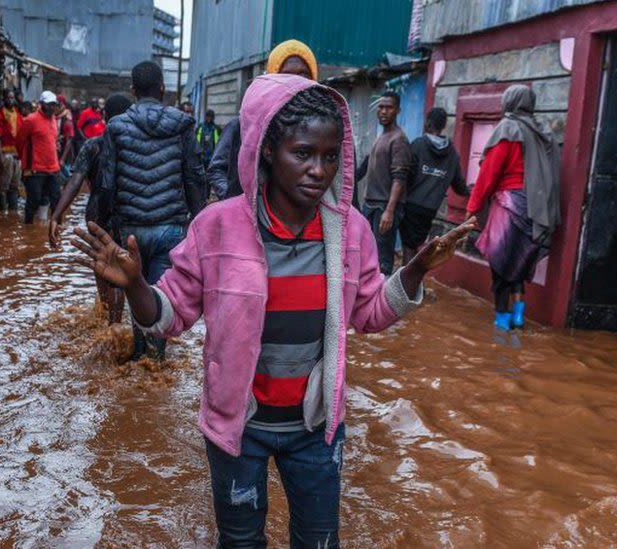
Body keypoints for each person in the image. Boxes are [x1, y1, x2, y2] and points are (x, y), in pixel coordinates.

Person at [72, 74, 475, 547]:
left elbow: (367, 313)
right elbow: (170, 315)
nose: (317, 170)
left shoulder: (350, 232)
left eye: (329, 157)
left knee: (318, 541)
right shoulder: (217, 228)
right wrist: (138, 283)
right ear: (266, 149)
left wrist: (415, 272)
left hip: (315, 427)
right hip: (237, 428)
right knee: (241, 541)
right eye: (302, 153)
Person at [99, 60, 205, 360]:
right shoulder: (183, 124)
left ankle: (137, 357)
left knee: (135, 289)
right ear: (163, 88)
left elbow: (107, 183)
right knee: (161, 295)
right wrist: (200, 224)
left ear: (133, 90)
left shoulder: (116, 127)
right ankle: (155, 362)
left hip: (129, 228)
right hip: (170, 228)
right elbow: (194, 176)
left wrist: (105, 225)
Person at [466, 84, 561, 331]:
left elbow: (489, 173)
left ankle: (502, 322)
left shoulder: (508, 128)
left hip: (510, 205)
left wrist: (473, 207)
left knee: (501, 263)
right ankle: (519, 316)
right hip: (536, 208)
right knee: (520, 262)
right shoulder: (542, 132)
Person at [49, 94, 133, 323]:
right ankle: (117, 326)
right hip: (129, 216)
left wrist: (56, 216)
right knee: (122, 271)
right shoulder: (138, 146)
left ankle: (111, 324)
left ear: (104, 117)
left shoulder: (93, 145)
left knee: (103, 267)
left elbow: (74, 183)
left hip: (97, 215)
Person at [209, 39, 318, 200]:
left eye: (303, 75)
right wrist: (234, 201)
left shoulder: (327, 129)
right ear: (273, 78)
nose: (296, 83)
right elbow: (216, 169)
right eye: (286, 75)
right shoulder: (244, 125)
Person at [401, 107, 468, 265]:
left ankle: (407, 286)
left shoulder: (418, 144)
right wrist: (474, 191)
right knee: (417, 246)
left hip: (411, 205)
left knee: (408, 248)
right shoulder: (452, 153)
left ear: (428, 123)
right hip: (430, 209)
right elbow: (459, 186)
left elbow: (406, 176)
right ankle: (414, 284)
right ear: (443, 125)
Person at [358, 90, 411, 275]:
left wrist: (389, 211)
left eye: (389, 107)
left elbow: (400, 178)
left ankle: (382, 299)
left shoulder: (399, 140)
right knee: (366, 253)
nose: (383, 111)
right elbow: (364, 168)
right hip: (370, 204)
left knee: (382, 259)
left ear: (398, 110)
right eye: (381, 107)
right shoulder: (381, 136)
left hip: (384, 207)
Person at [17, 90, 61, 224]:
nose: (53, 107)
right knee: (33, 199)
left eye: (54, 104)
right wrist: (24, 162)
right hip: (35, 168)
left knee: (57, 200)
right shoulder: (31, 120)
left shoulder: (54, 119)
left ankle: (56, 228)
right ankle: (28, 228)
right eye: (50, 104)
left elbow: (52, 140)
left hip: (53, 167)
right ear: (42, 104)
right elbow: (20, 141)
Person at [0, 89, 24, 211]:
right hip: (6, 154)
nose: (10, 100)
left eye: (12, 98)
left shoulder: (18, 115)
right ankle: (3, 213)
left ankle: (13, 213)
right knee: (3, 185)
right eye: (8, 98)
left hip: (17, 155)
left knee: (15, 185)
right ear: (3, 99)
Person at [55, 94, 75, 171]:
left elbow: (69, 141)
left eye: (58, 104)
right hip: (57, 149)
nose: (56, 107)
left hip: (65, 151)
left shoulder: (67, 119)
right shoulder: (55, 117)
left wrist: (63, 158)